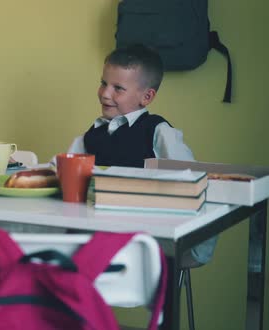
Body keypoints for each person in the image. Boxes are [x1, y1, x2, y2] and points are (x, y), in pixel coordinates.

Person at [55, 44, 216, 265]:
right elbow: (62, 172)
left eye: (118, 88)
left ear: (147, 97)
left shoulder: (157, 131)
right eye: (103, 83)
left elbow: (192, 180)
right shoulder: (91, 135)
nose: (105, 93)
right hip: (96, 235)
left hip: (146, 241)